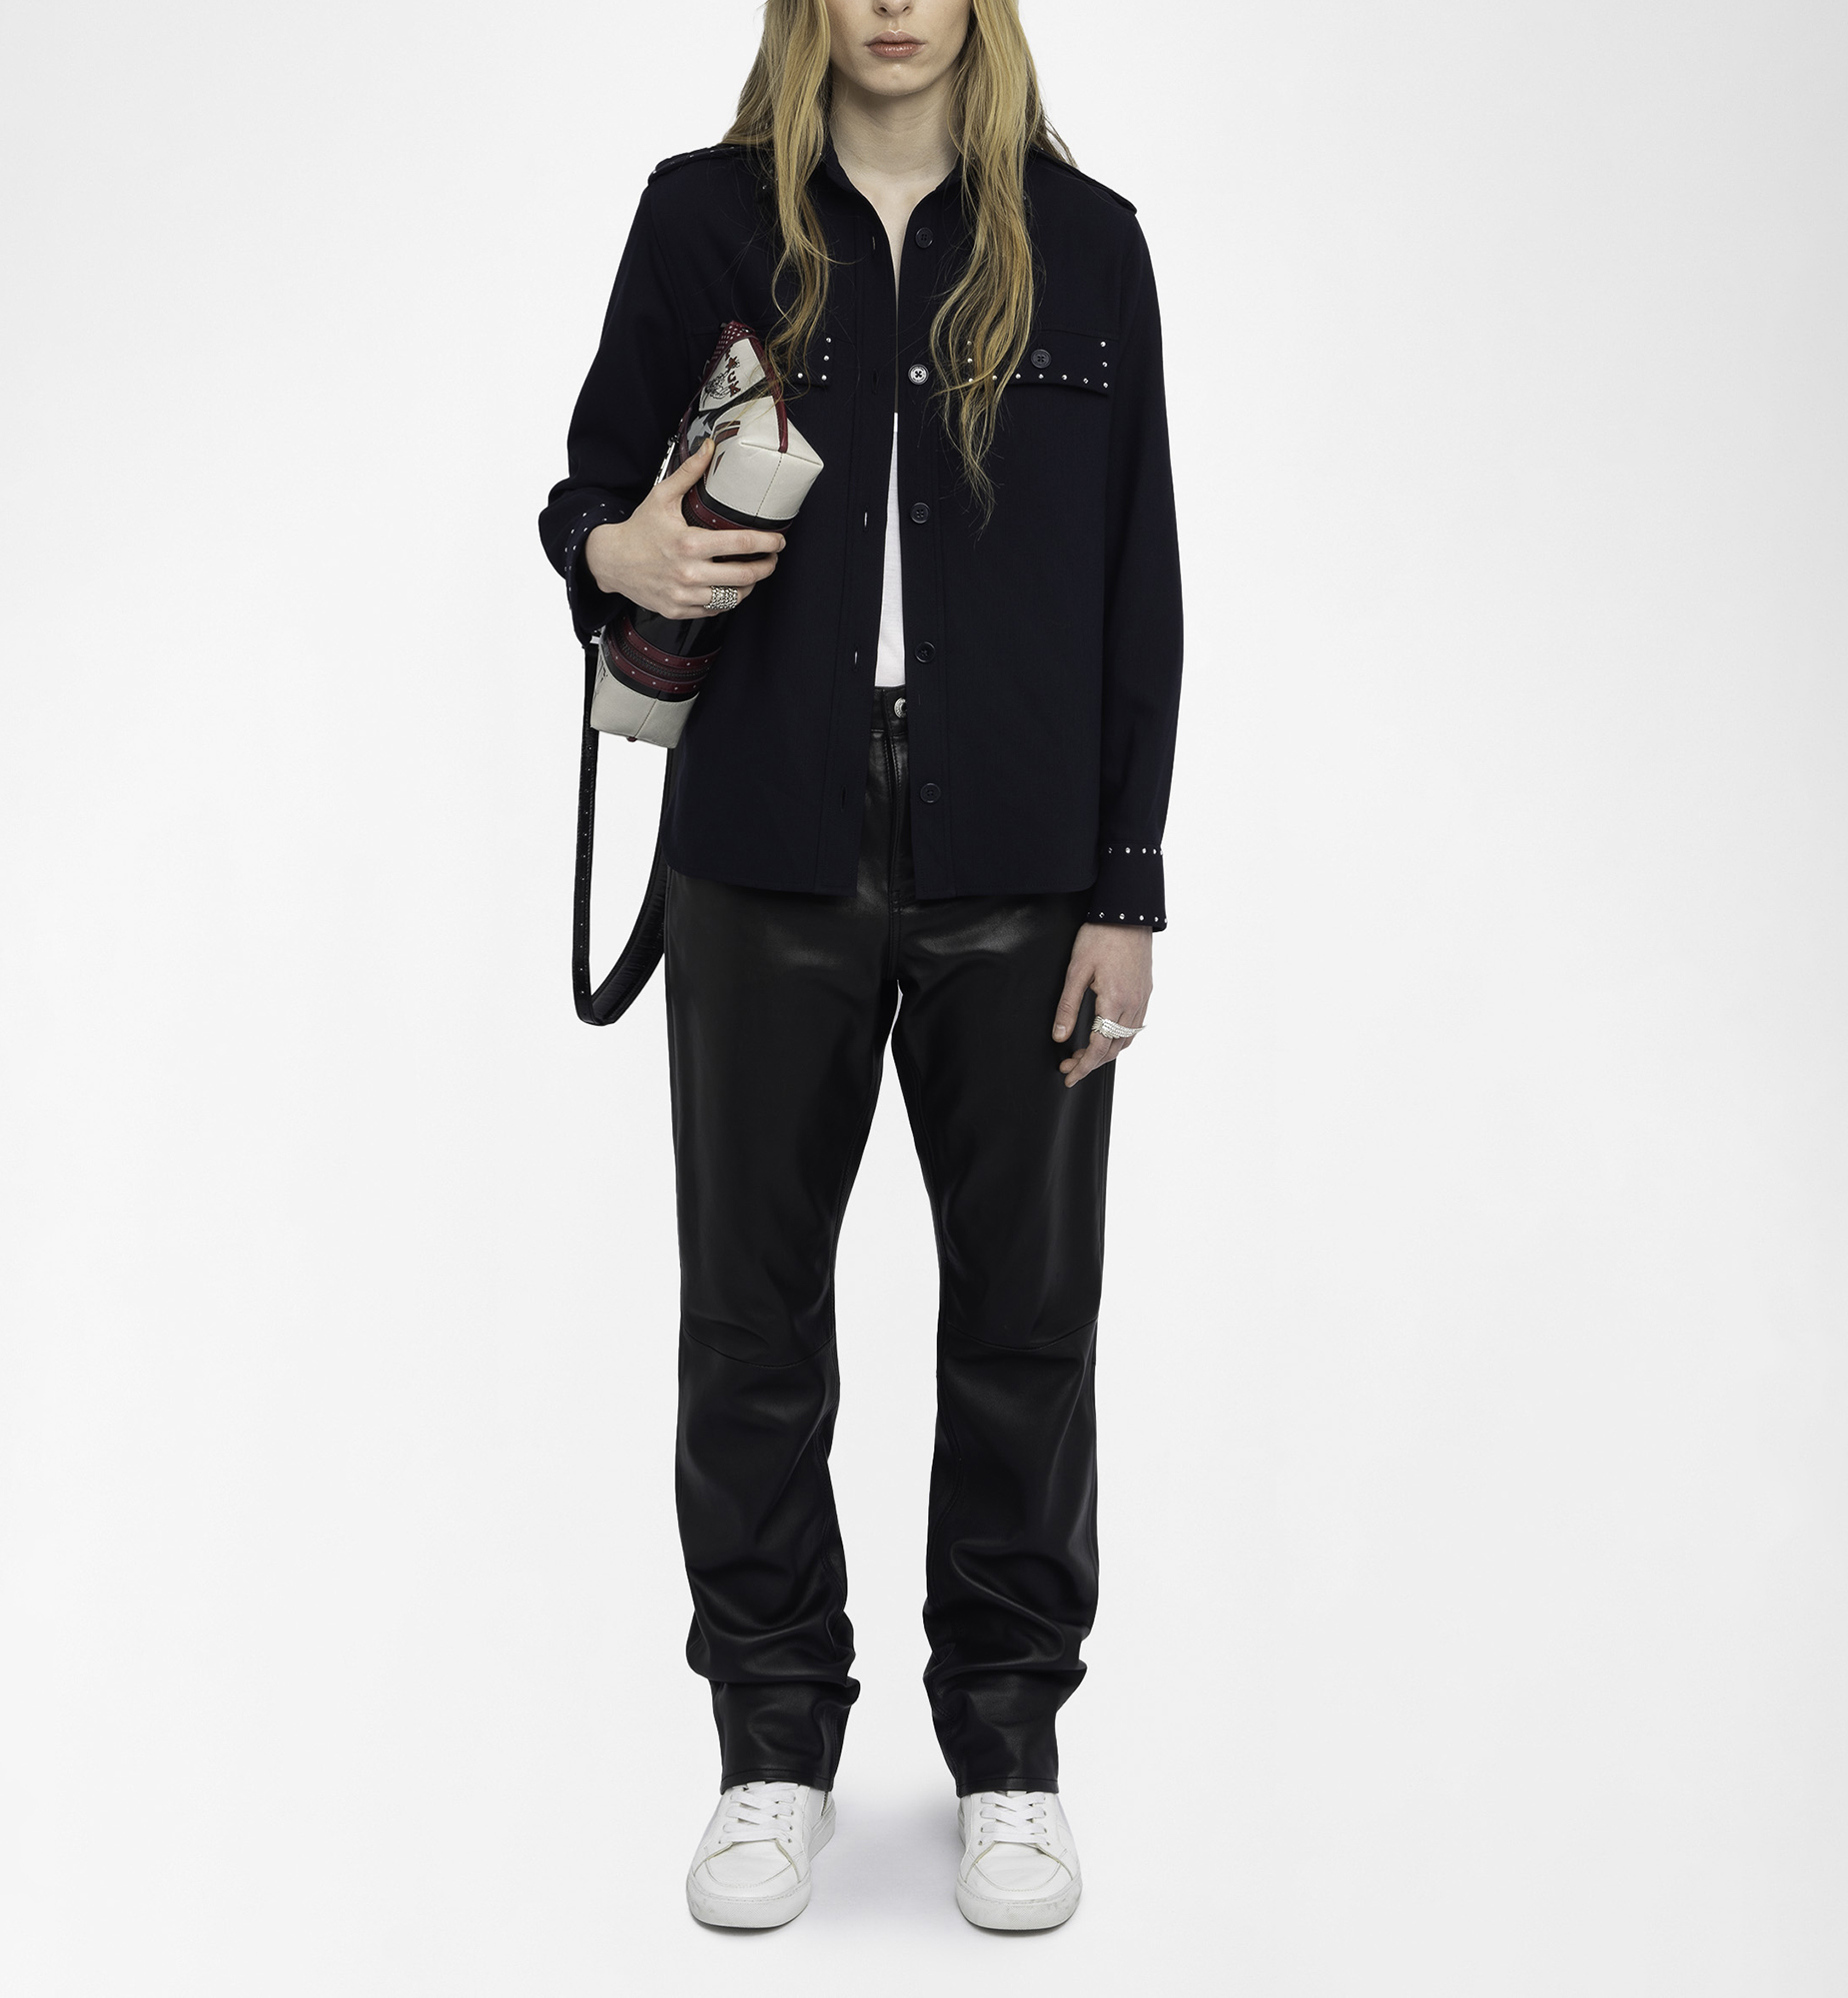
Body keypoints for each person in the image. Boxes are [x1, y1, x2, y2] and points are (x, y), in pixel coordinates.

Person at [538, 0, 1180, 1932]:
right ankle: (770, 1748)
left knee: (1026, 1322)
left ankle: (1010, 1754)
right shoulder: (703, 216)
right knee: (750, 1320)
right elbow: (585, 491)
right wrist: (623, 557)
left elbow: (1140, 573)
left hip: (1024, 866)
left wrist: (1127, 885)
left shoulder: (1088, 241)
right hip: (762, 843)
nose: (895, 4)